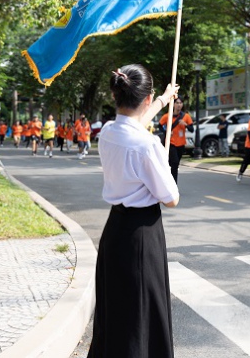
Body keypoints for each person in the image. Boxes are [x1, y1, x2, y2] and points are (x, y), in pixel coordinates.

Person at [87, 65, 179, 358]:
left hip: (115, 232)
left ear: (116, 95)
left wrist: (164, 100)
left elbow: (135, 124)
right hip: (143, 236)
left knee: (117, 317)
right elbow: (171, 198)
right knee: (142, 317)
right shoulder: (147, 144)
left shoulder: (107, 132)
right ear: (146, 99)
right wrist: (162, 161)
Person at [158, 98, 193, 183]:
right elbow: (159, 126)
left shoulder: (186, 116)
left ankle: (170, 181)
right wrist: (167, 131)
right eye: (177, 103)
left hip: (181, 144)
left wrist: (185, 125)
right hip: (171, 143)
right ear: (173, 105)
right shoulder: (167, 116)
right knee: (174, 163)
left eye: (180, 103)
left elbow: (192, 129)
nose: (179, 105)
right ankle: (173, 185)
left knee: (175, 164)